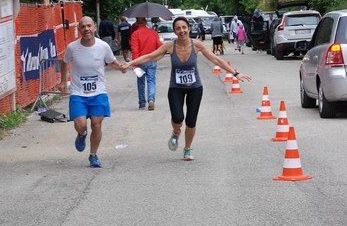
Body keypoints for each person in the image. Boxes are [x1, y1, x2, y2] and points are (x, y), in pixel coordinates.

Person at [122, 16, 251, 161]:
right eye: (178, 28)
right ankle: (176, 131)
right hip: (176, 88)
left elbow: (216, 59)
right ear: (175, 31)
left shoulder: (197, 45)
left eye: (184, 27)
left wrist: (235, 73)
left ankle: (187, 149)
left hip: (195, 88)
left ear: (189, 28)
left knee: (191, 121)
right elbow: (150, 56)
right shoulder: (170, 46)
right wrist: (131, 63)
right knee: (177, 118)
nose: (182, 31)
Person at [59, 16, 126, 168]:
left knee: (96, 125)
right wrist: (63, 81)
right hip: (78, 93)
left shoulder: (103, 46)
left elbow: (112, 62)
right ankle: (82, 135)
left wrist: (120, 67)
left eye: (89, 26)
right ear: (79, 30)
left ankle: (93, 155)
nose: (86, 29)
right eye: (83, 27)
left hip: (98, 92)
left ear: (94, 28)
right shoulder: (72, 47)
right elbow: (64, 63)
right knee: (81, 124)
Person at [130, 16, 162, 110]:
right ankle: (151, 99)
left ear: (137, 22)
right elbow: (160, 46)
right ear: (145, 22)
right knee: (151, 81)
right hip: (152, 60)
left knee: (141, 82)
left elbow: (135, 51)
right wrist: (156, 56)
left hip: (140, 61)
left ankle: (142, 102)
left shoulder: (135, 34)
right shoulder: (153, 32)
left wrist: (134, 65)